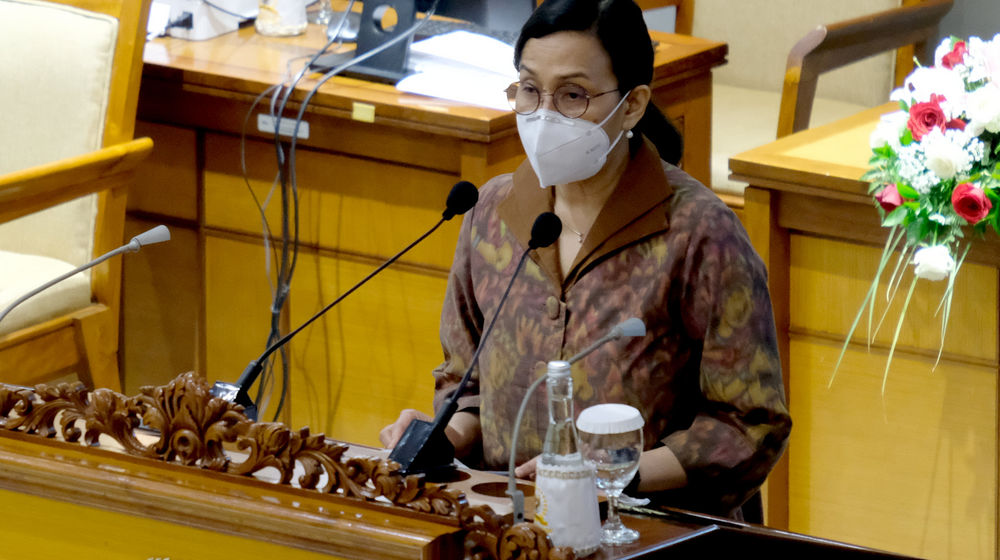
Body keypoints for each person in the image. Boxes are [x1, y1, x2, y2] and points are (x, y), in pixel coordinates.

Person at [380, 0, 791, 518]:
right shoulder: (490, 214)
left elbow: (749, 426)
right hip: (509, 525)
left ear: (634, 104)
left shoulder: (701, 234)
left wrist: (618, 473)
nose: (544, 114)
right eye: (529, 90)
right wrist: (441, 436)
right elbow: (468, 386)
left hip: (645, 530)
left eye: (572, 95)